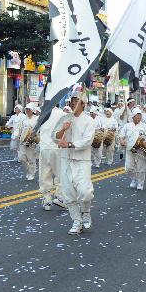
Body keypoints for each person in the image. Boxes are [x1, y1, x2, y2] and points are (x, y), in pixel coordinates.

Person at [53, 85, 96, 234]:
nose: (73, 103)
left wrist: (70, 144)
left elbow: (87, 141)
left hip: (82, 160)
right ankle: (77, 222)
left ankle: (86, 211)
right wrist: (63, 130)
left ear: (83, 103)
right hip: (66, 159)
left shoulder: (89, 121)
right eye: (72, 100)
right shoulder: (65, 118)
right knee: (68, 193)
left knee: (84, 191)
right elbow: (55, 137)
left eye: (76, 100)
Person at [117, 108, 146, 191]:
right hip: (129, 149)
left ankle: (140, 183)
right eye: (137, 115)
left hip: (141, 150)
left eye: (140, 115)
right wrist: (122, 140)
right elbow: (121, 135)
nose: (139, 117)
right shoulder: (127, 125)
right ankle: (134, 179)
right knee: (128, 168)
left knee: (141, 168)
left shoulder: (144, 126)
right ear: (133, 116)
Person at [38, 107, 65, 211]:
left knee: (44, 174)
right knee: (60, 174)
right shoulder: (62, 114)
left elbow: (37, 130)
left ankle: (47, 200)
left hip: (44, 147)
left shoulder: (43, 113)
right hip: (56, 147)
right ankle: (60, 197)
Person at [15, 103, 39, 180]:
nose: (27, 111)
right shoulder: (23, 119)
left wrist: (34, 137)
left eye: (29, 109)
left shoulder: (37, 119)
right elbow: (19, 128)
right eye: (26, 109)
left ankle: (32, 173)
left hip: (31, 141)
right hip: (22, 141)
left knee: (31, 158)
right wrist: (17, 135)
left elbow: (39, 130)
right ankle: (29, 170)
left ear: (32, 110)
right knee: (22, 157)